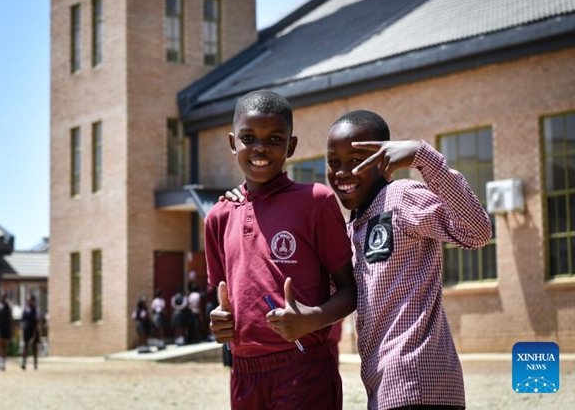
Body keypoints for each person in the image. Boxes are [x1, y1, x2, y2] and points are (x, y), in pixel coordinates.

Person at [323, 109, 492, 410]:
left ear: (384, 162)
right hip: (383, 388)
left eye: (355, 160)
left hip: (418, 383)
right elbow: (331, 294)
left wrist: (422, 156)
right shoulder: (352, 229)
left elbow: (476, 232)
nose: (342, 172)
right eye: (334, 162)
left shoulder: (401, 197)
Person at [207, 90, 357, 410]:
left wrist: (311, 319)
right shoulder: (219, 216)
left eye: (274, 138)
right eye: (248, 137)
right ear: (233, 143)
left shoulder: (316, 201)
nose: (260, 147)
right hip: (244, 371)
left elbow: (350, 290)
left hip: (303, 366)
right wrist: (219, 319)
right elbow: (224, 297)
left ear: (291, 146)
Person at [0, 293, 12, 371]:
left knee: (4, 345)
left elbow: (10, 318)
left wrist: (11, 328)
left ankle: (3, 363)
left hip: (5, 327)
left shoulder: (8, 307)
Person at [20, 295, 40, 371]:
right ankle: (24, 362)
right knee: (25, 346)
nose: (29, 302)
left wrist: (35, 332)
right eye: (28, 300)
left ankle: (35, 364)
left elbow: (37, 321)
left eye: (30, 300)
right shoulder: (25, 309)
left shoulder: (36, 310)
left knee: (34, 347)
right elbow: (22, 320)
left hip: (33, 329)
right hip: (26, 330)